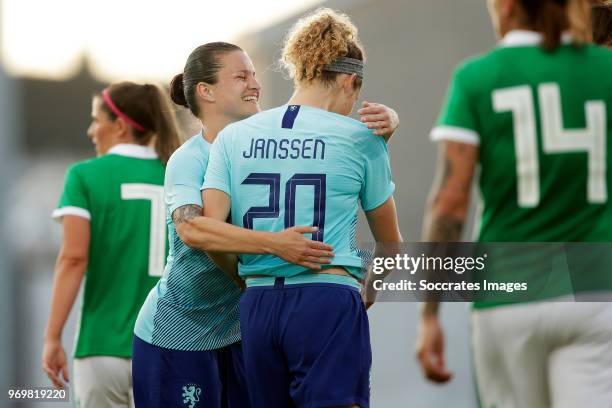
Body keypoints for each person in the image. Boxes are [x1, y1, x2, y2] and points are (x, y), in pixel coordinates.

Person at [132, 41, 400, 407]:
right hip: (180, 330)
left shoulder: (265, 137)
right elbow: (193, 230)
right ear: (205, 91)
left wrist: (387, 124)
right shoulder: (189, 159)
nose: (255, 84)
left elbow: (328, 142)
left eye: (254, 74)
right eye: (241, 77)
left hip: (243, 326)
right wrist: (275, 244)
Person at [198, 9, 402, 408]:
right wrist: (369, 290)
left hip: (258, 305)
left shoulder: (232, 137)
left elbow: (211, 234)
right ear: (349, 80)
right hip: (327, 299)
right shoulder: (363, 138)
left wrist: (244, 280)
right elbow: (391, 245)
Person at [416, 0, 612, 407]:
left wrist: (430, 314)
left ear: (506, 6)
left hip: (509, 293)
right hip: (595, 289)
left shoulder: (477, 76)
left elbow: (450, 206)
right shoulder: (604, 69)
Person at [42, 82, 181, 407]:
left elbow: (73, 259)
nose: (91, 130)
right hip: (172, 346)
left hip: (103, 347)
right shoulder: (181, 172)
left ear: (119, 126)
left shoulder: (85, 175)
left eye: (96, 119)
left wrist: (52, 337)